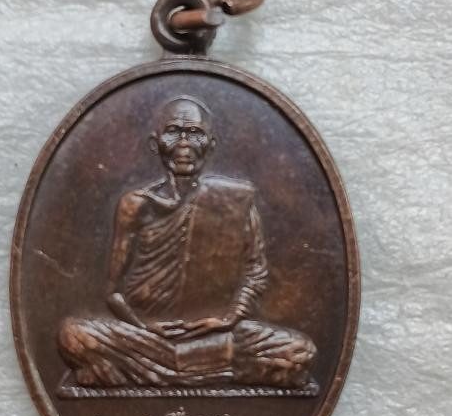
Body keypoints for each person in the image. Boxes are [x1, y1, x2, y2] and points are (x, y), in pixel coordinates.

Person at [58, 96, 316, 387]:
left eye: (194, 134)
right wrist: (146, 328)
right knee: (72, 335)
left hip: (214, 336)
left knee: (300, 350)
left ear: (210, 145)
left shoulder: (235, 201)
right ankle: (202, 370)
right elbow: (113, 294)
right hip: (145, 336)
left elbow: (255, 273)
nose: (184, 144)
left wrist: (228, 319)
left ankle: (153, 372)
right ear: (156, 144)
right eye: (173, 132)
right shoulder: (136, 204)